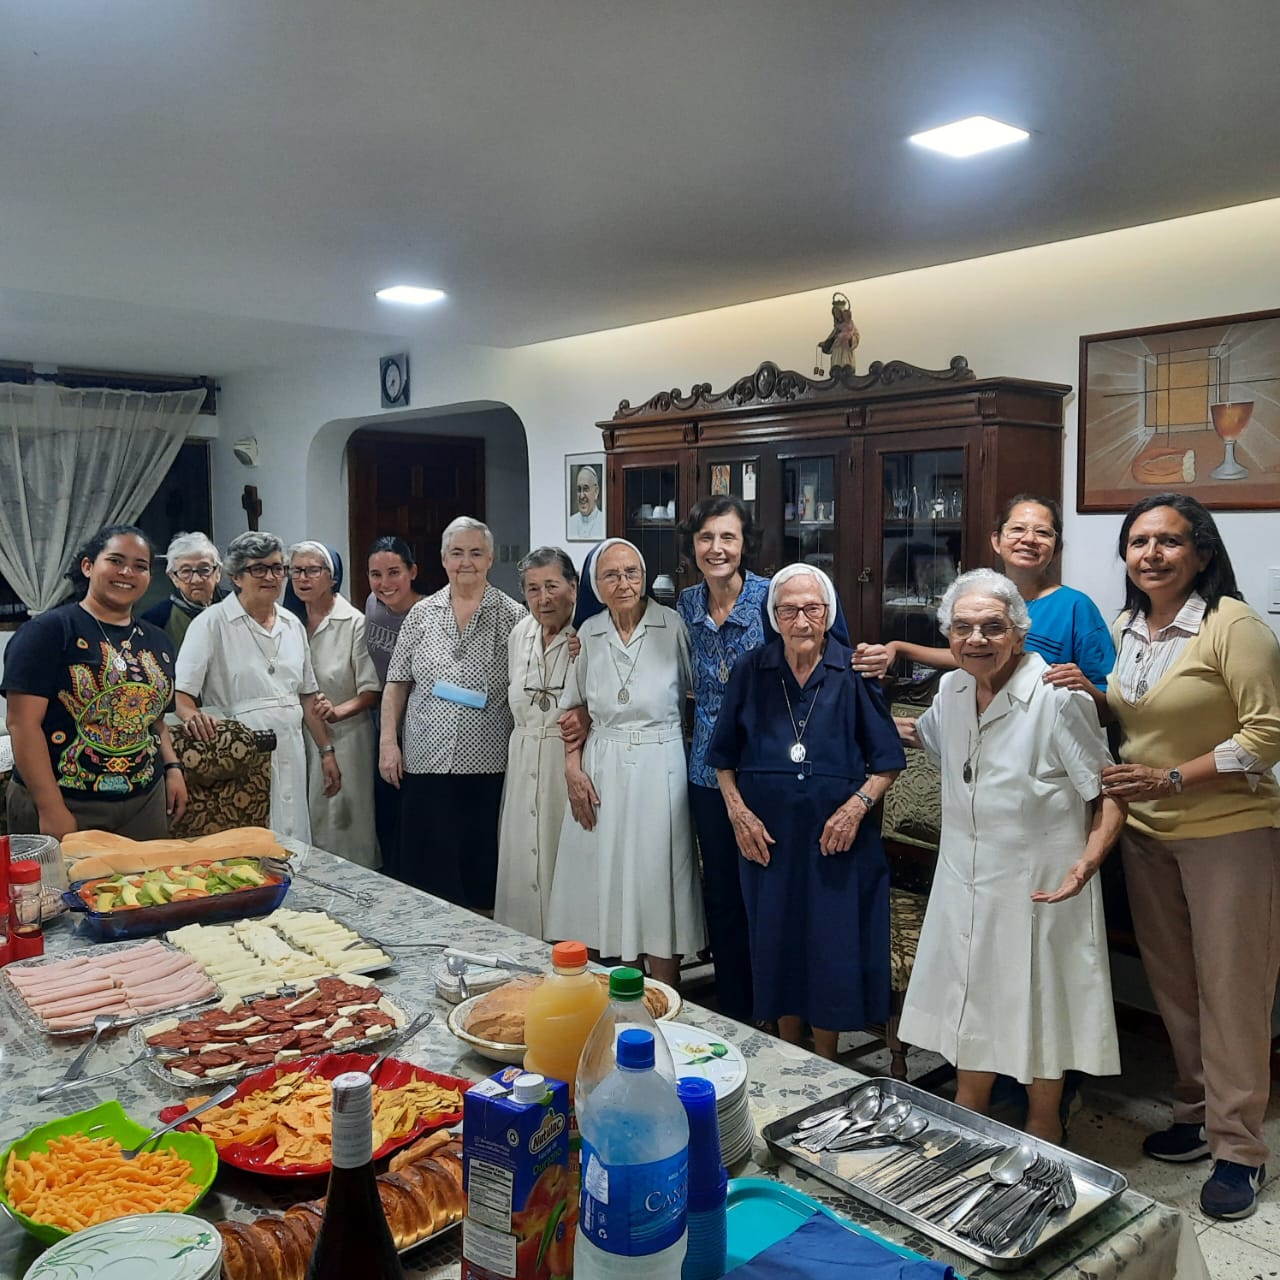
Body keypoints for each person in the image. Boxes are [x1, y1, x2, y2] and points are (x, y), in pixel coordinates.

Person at [895, 569, 1124, 1141]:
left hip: (1040, 884)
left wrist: (1088, 862)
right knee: (972, 994)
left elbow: (1110, 792)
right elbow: (929, 737)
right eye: (963, 627)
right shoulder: (951, 691)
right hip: (964, 878)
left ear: (1019, 634)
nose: (976, 639)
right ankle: (970, 1107)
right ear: (948, 635)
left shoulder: (1058, 697)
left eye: (992, 627)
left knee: (1040, 1003)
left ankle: (1045, 1122)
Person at [1099, 494, 1280, 1220]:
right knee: (1174, 983)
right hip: (1148, 833)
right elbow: (1139, 714)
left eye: (1169, 541)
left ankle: (1240, 1150)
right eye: (1138, 541)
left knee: (1232, 990)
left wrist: (1172, 778)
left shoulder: (1233, 626)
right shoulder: (1127, 625)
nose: (1151, 554)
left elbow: (1266, 736)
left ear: (1201, 552)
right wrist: (1092, 695)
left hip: (1229, 831)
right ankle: (1197, 1113)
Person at [707, 564, 904, 1059]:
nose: (800, 620)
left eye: (812, 609)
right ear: (774, 616)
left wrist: (856, 807)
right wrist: (738, 814)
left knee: (828, 948)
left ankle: (827, 1059)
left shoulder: (852, 671)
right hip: (767, 838)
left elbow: (887, 762)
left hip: (836, 840)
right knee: (777, 943)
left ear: (828, 613)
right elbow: (722, 757)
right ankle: (788, 1051)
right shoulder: (752, 670)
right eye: (789, 610)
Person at [547, 538, 704, 986]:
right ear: (596, 585)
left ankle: (667, 994)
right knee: (608, 877)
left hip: (660, 761)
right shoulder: (588, 633)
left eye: (632, 572)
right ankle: (620, 991)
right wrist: (572, 769)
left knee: (659, 876)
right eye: (611, 575)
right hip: (603, 763)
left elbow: (704, 692)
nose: (623, 583)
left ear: (644, 577)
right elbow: (572, 709)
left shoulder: (672, 625)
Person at [1, 525, 187, 839]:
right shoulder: (48, 632)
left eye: (140, 566)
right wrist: (50, 807)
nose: (127, 572)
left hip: (144, 801)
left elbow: (156, 721)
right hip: (65, 799)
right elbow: (22, 723)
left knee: (146, 873)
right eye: (115, 560)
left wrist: (172, 768)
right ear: (88, 566)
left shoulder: (158, 641)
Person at [379, 516, 525, 908]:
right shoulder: (421, 614)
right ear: (443, 559)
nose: (466, 562)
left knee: (479, 875)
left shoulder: (514, 617)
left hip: (488, 764)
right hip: (426, 760)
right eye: (457, 553)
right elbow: (397, 683)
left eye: (476, 553)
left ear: (490, 559)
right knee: (426, 878)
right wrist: (388, 744)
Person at [854, 495, 1115, 705]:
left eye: (1043, 533)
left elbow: (1108, 707)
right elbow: (975, 654)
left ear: (1056, 548)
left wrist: (1083, 688)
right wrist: (898, 647)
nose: (1029, 539)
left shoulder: (1075, 607)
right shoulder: (980, 597)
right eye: (1017, 529)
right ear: (996, 540)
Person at [175, 531, 340, 842]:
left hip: (291, 745)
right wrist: (193, 718)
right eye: (259, 568)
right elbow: (182, 695)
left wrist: (326, 751)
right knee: (252, 837)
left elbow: (307, 697)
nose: (271, 577)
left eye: (277, 568)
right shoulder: (211, 623)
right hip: (239, 749)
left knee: (294, 833)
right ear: (236, 576)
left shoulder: (292, 624)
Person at [675, 495, 770, 1023]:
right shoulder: (686, 604)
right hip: (706, 771)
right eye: (706, 537)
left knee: (766, 890)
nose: (717, 548)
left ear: (744, 543)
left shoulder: (771, 598)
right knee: (724, 894)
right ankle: (735, 1009)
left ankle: (776, 1008)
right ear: (693, 545)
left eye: (727, 537)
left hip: (766, 768)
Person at [494, 547, 579, 938]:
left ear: (573, 587)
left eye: (552, 586)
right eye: (533, 589)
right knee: (522, 858)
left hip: (567, 761)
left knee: (562, 858)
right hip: (524, 754)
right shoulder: (519, 634)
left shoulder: (587, 634)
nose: (543, 598)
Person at [288, 541, 380, 868]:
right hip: (300, 736)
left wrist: (337, 712)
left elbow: (372, 690)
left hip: (347, 736)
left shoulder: (354, 623)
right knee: (305, 818)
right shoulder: (287, 623)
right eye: (296, 570)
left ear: (333, 577)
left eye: (313, 570)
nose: (303, 578)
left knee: (345, 823)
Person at [363, 536, 426, 871]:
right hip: (385, 725)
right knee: (384, 815)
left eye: (394, 573)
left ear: (412, 572)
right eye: (376, 575)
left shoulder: (429, 614)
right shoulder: (372, 607)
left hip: (421, 730)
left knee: (412, 819)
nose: (384, 583)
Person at [142, 532, 228, 652]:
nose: (196, 580)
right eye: (186, 571)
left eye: (204, 570)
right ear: (173, 577)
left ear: (218, 572)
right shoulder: (155, 621)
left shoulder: (238, 606)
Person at [568, 465, 605, 539]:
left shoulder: (604, 522)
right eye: (579, 489)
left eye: (585, 489)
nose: (581, 496)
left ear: (596, 492)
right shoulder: (570, 522)